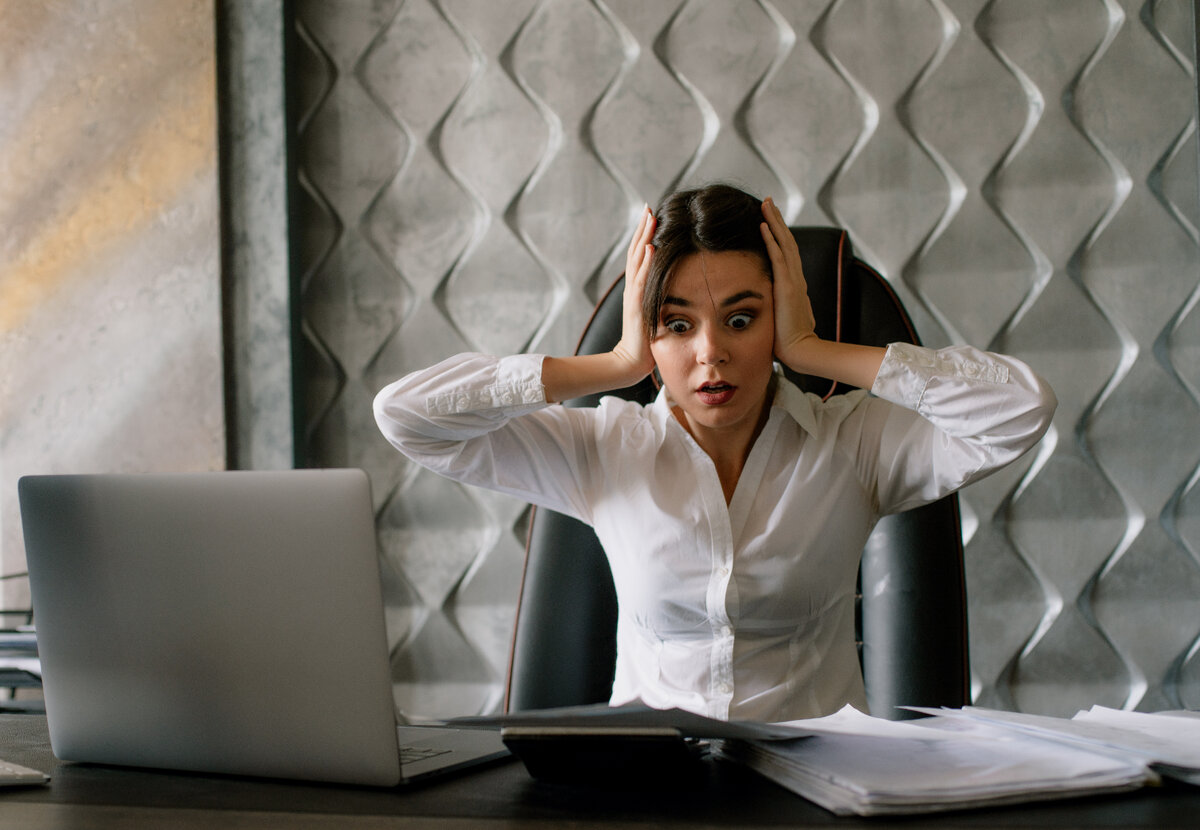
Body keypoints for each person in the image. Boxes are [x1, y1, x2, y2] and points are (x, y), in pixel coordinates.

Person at [373, 183, 1056, 723]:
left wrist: (815, 351)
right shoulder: (605, 448)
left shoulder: (857, 443)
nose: (710, 353)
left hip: (814, 802)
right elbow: (406, 417)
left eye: (741, 318)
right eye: (677, 324)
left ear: (779, 316)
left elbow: (1022, 409)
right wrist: (614, 364)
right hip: (652, 802)